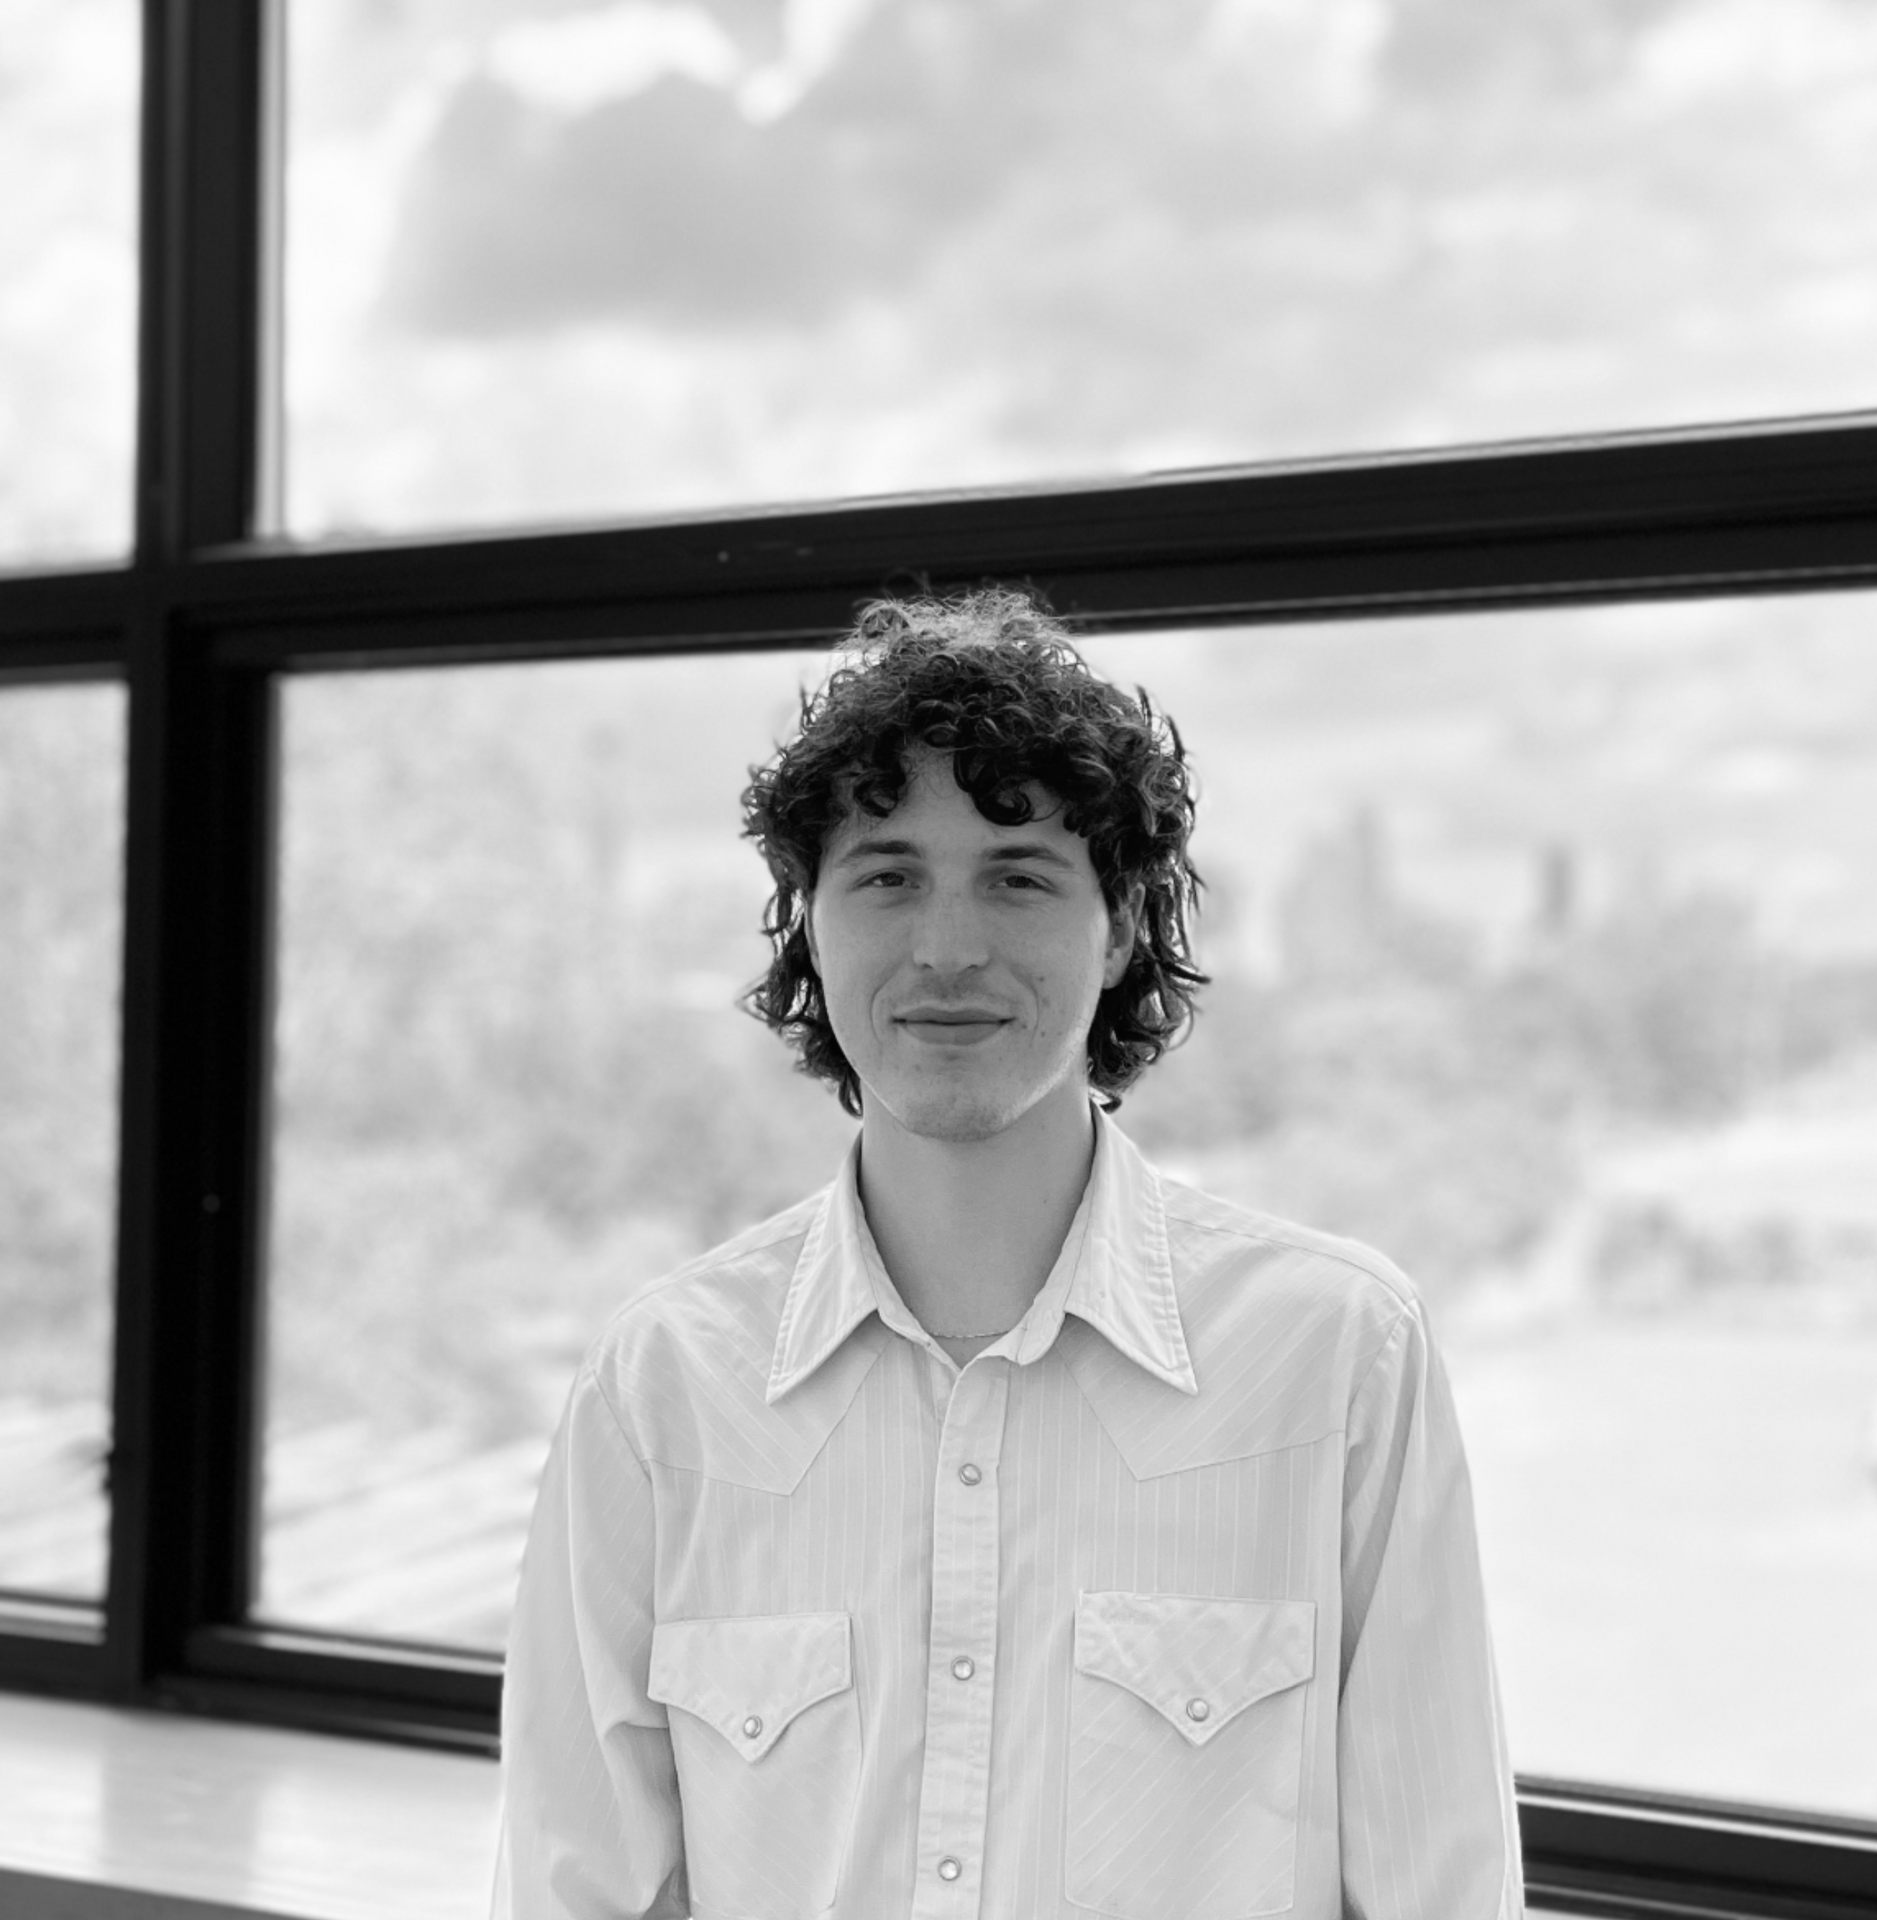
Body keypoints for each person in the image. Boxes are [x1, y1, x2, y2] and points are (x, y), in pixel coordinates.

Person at [493, 588, 1523, 1919]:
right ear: (808, 919)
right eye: (887, 875)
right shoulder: (661, 1390)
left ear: (1121, 929)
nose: (949, 947)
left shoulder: (1338, 1355)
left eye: (1019, 875)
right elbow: (575, 1889)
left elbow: (1441, 1884)